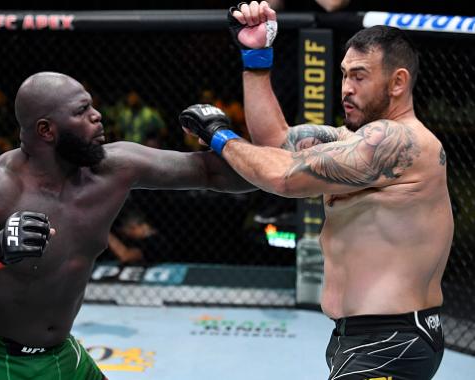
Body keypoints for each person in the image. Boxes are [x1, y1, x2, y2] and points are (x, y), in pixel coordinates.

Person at [0, 72, 253, 380]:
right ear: (46, 130)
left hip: (59, 357)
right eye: (81, 111)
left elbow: (219, 175)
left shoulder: (115, 168)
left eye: (92, 106)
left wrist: (222, 139)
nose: (97, 116)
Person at [179, 2, 453, 379]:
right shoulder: (353, 140)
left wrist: (218, 136)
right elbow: (275, 141)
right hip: (359, 338)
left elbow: (284, 178)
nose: (346, 88)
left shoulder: (400, 142)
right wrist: (256, 57)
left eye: (359, 76)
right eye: (344, 75)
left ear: (398, 82)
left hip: (392, 341)